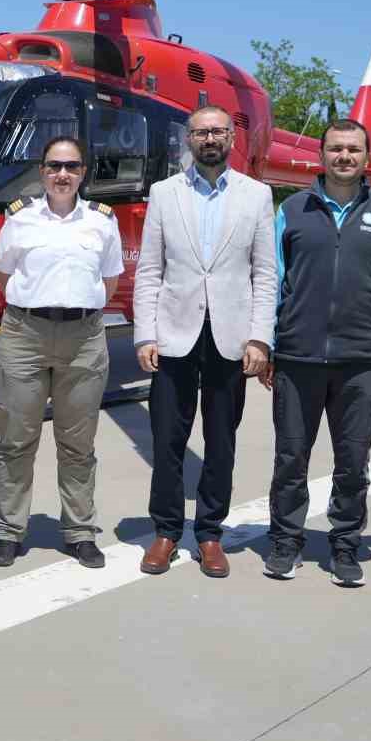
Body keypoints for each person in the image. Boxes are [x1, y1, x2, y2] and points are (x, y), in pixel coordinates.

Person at [263, 119, 371, 585]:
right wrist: (268, 346)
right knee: (291, 459)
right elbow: (271, 283)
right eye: (334, 149)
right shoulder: (292, 209)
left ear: (366, 157)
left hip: (361, 364)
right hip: (296, 360)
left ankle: (345, 543)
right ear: (321, 155)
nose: (343, 157)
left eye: (352, 149)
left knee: (353, 463)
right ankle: (286, 540)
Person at [133, 104, 277, 579]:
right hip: (174, 335)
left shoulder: (256, 196)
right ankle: (167, 531)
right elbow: (150, 269)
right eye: (200, 132)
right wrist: (145, 334)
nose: (209, 139)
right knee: (167, 441)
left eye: (217, 131)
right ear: (188, 140)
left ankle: (210, 533)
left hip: (230, 338)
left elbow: (265, 274)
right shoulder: (164, 193)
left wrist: (260, 337)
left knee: (220, 443)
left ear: (232, 138)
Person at [0, 137, 123, 570]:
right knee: (16, 440)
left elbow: (110, 282)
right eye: (53, 166)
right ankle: (9, 530)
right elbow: (3, 273)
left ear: (83, 172)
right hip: (24, 334)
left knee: (78, 443)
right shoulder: (20, 218)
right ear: (42, 171)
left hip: (83, 338)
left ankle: (80, 531)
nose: (62, 174)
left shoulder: (103, 222)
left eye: (71, 166)